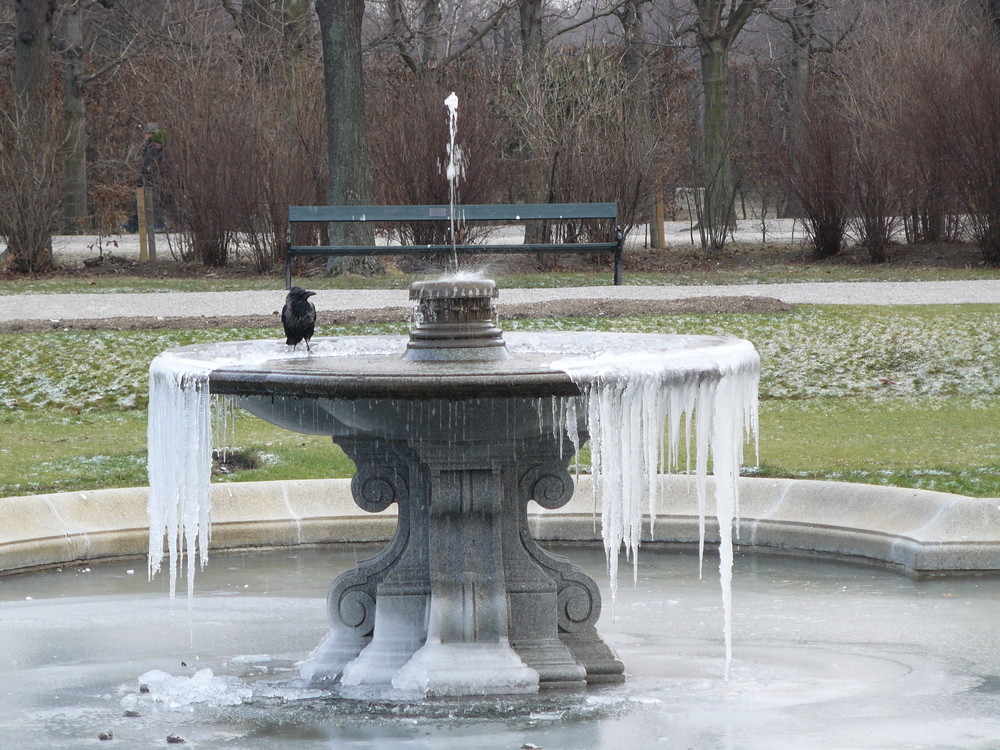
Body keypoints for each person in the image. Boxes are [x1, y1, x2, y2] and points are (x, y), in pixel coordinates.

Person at [125, 123, 166, 232]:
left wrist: (142, 178)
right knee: (147, 202)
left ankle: (158, 224)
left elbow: (147, 164)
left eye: (146, 134)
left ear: (151, 134)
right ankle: (133, 225)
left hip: (152, 180)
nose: (144, 136)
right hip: (159, 179)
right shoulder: (160, 146)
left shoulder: (152, 147)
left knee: (151, 202)